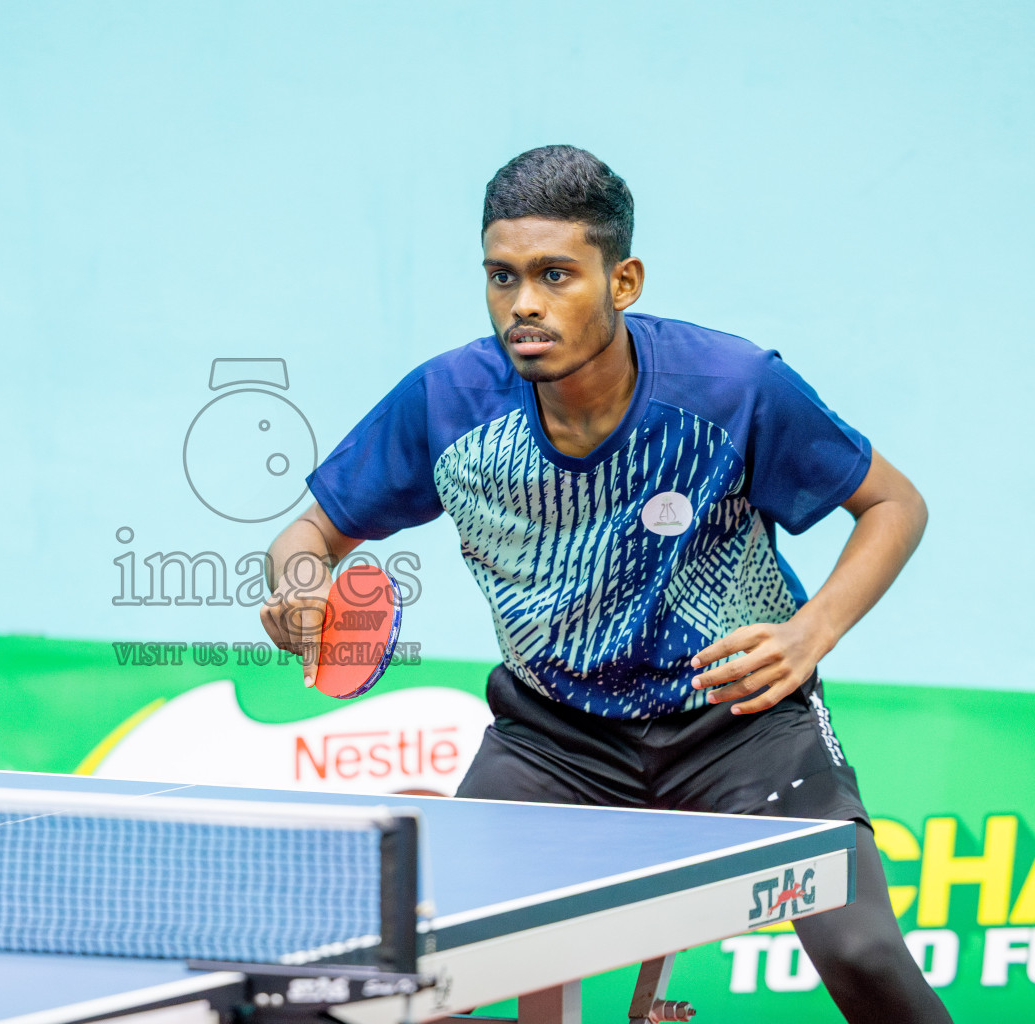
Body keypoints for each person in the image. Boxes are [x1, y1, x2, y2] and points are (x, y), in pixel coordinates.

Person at [259, 145, 950, 1023]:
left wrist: (811, 632)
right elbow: (310, 532)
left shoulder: (730, 387)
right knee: (414, 971)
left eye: (555, 275)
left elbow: (894, 503)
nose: (525, 305)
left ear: (622, 281)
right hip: (553, 740)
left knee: (864, 952)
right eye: (502, 278)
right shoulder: (449, 400)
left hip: (740, 726)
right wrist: (305, 590)